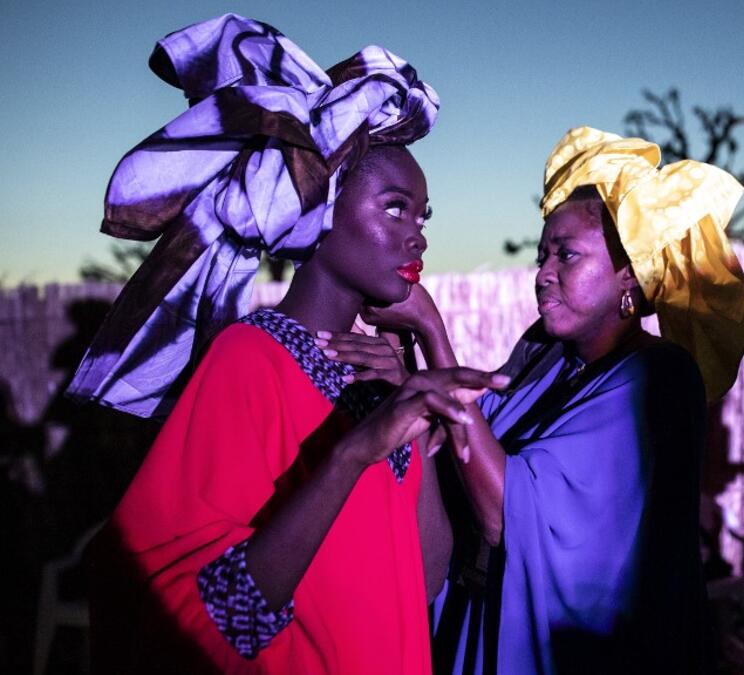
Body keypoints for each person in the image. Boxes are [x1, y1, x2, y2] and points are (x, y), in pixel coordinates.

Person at [70, 15, 505, 673]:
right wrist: (355, 450)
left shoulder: (379, 379)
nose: (416, 234)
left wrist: (408, 427)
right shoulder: (247, 360)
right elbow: (204, 614)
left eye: (422, 216)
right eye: (394, 207)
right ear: (322, 208)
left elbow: (421, 580)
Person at [329, 127, 744, 673]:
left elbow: (503, 515)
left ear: (630, 274)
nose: (543, 275)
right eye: (541, 256)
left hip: (575, 651)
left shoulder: (657, 379)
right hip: (483, 620)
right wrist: (407, 381)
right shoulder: (544, 353)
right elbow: (465, 447)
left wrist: (432, 332)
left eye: (567, 257)